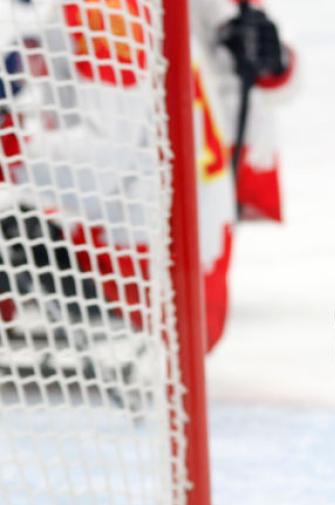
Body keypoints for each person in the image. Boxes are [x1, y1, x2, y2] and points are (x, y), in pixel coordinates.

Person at [0, 0, 294, 359]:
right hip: (189, 272)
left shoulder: (106, 12)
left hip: (142, 277)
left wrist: (10, 145)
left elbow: (99, 168)